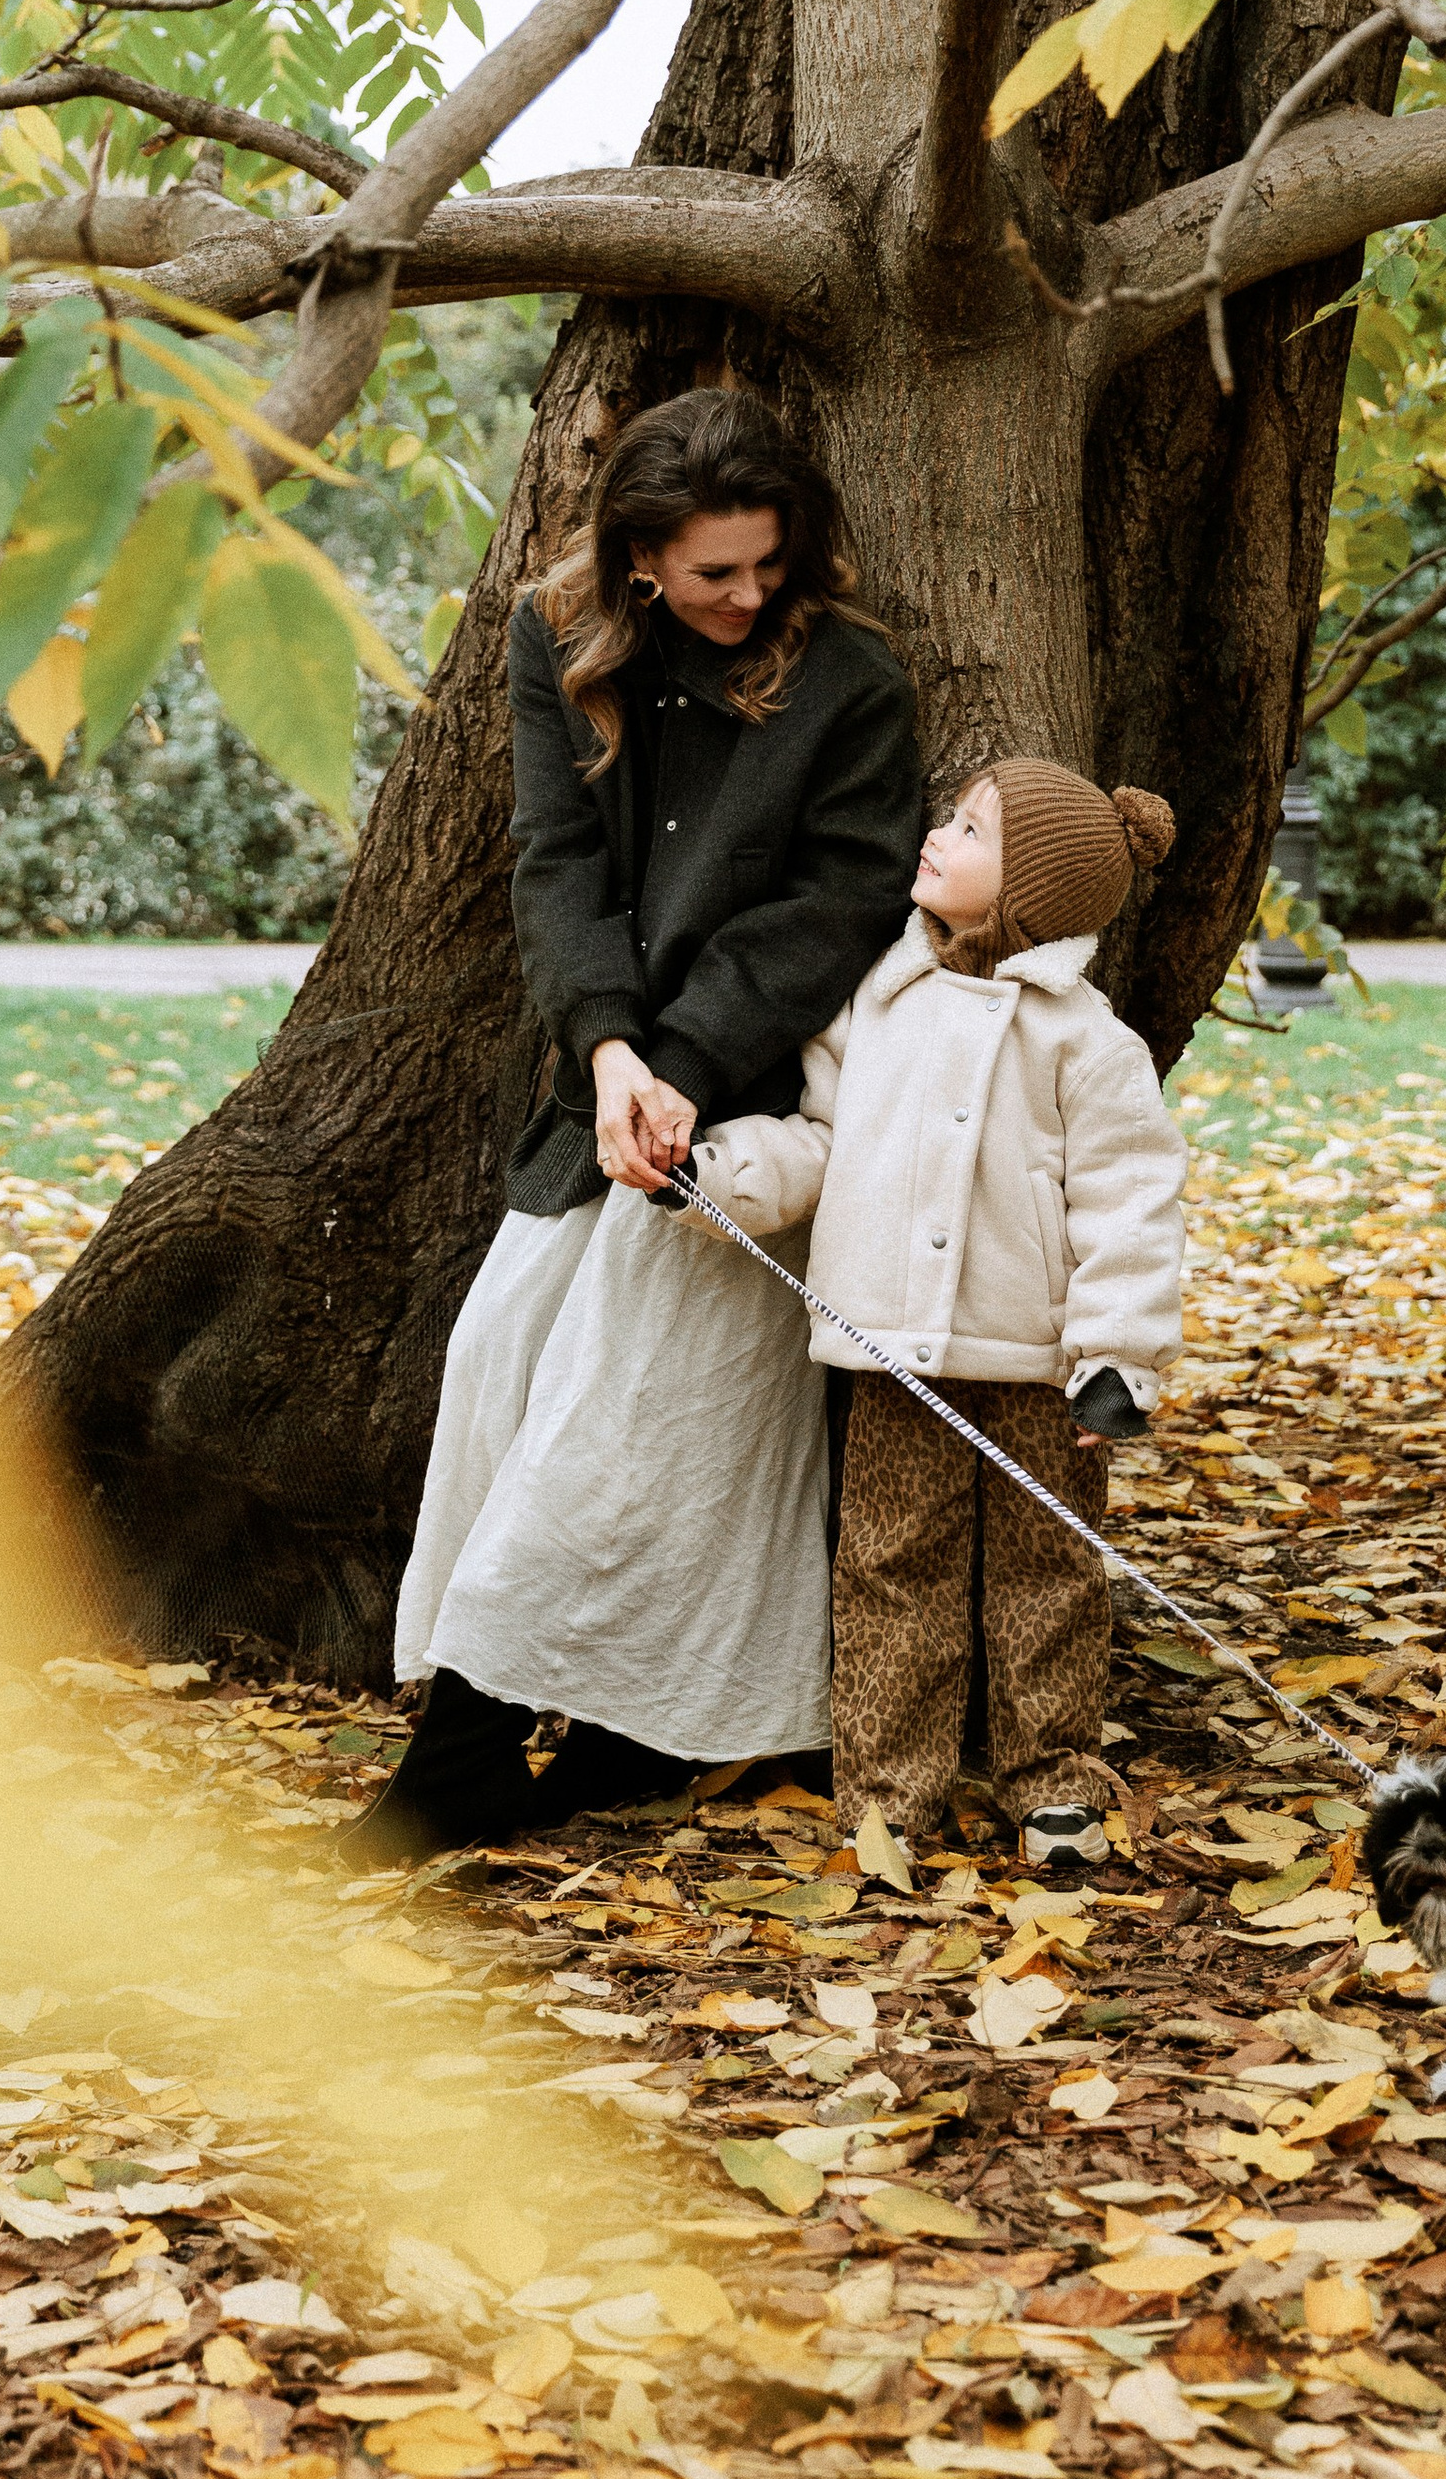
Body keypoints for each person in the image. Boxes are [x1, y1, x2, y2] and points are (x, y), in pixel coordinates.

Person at [338, 388, 924, 1871]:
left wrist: (675, 1064)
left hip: (750, 1116)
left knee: (632, 1428)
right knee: (501, 1370)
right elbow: (555, 861)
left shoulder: (848, 681)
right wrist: (605, 1051)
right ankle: (578, 1736)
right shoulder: (560, 638)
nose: (750, 595)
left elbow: (838, 904)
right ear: (641, 558)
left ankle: (470, 1766)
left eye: (768, 564)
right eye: (715, 571)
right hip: (594, 1092)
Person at [683, 758, 1187, 1872]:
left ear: (1033, 894)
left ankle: (1052, 1775)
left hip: (1039, 1367)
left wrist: (1118, 1357)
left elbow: (1131, 1203)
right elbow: (821, 1138)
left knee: (1047, 1572)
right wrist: (722, 1176)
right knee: (887, 1567)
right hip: (893, 1351)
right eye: (951, 815)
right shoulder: (882, 999)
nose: (939, 835)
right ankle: (884, 1791)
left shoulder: (1087, 1044)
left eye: (972, 829)